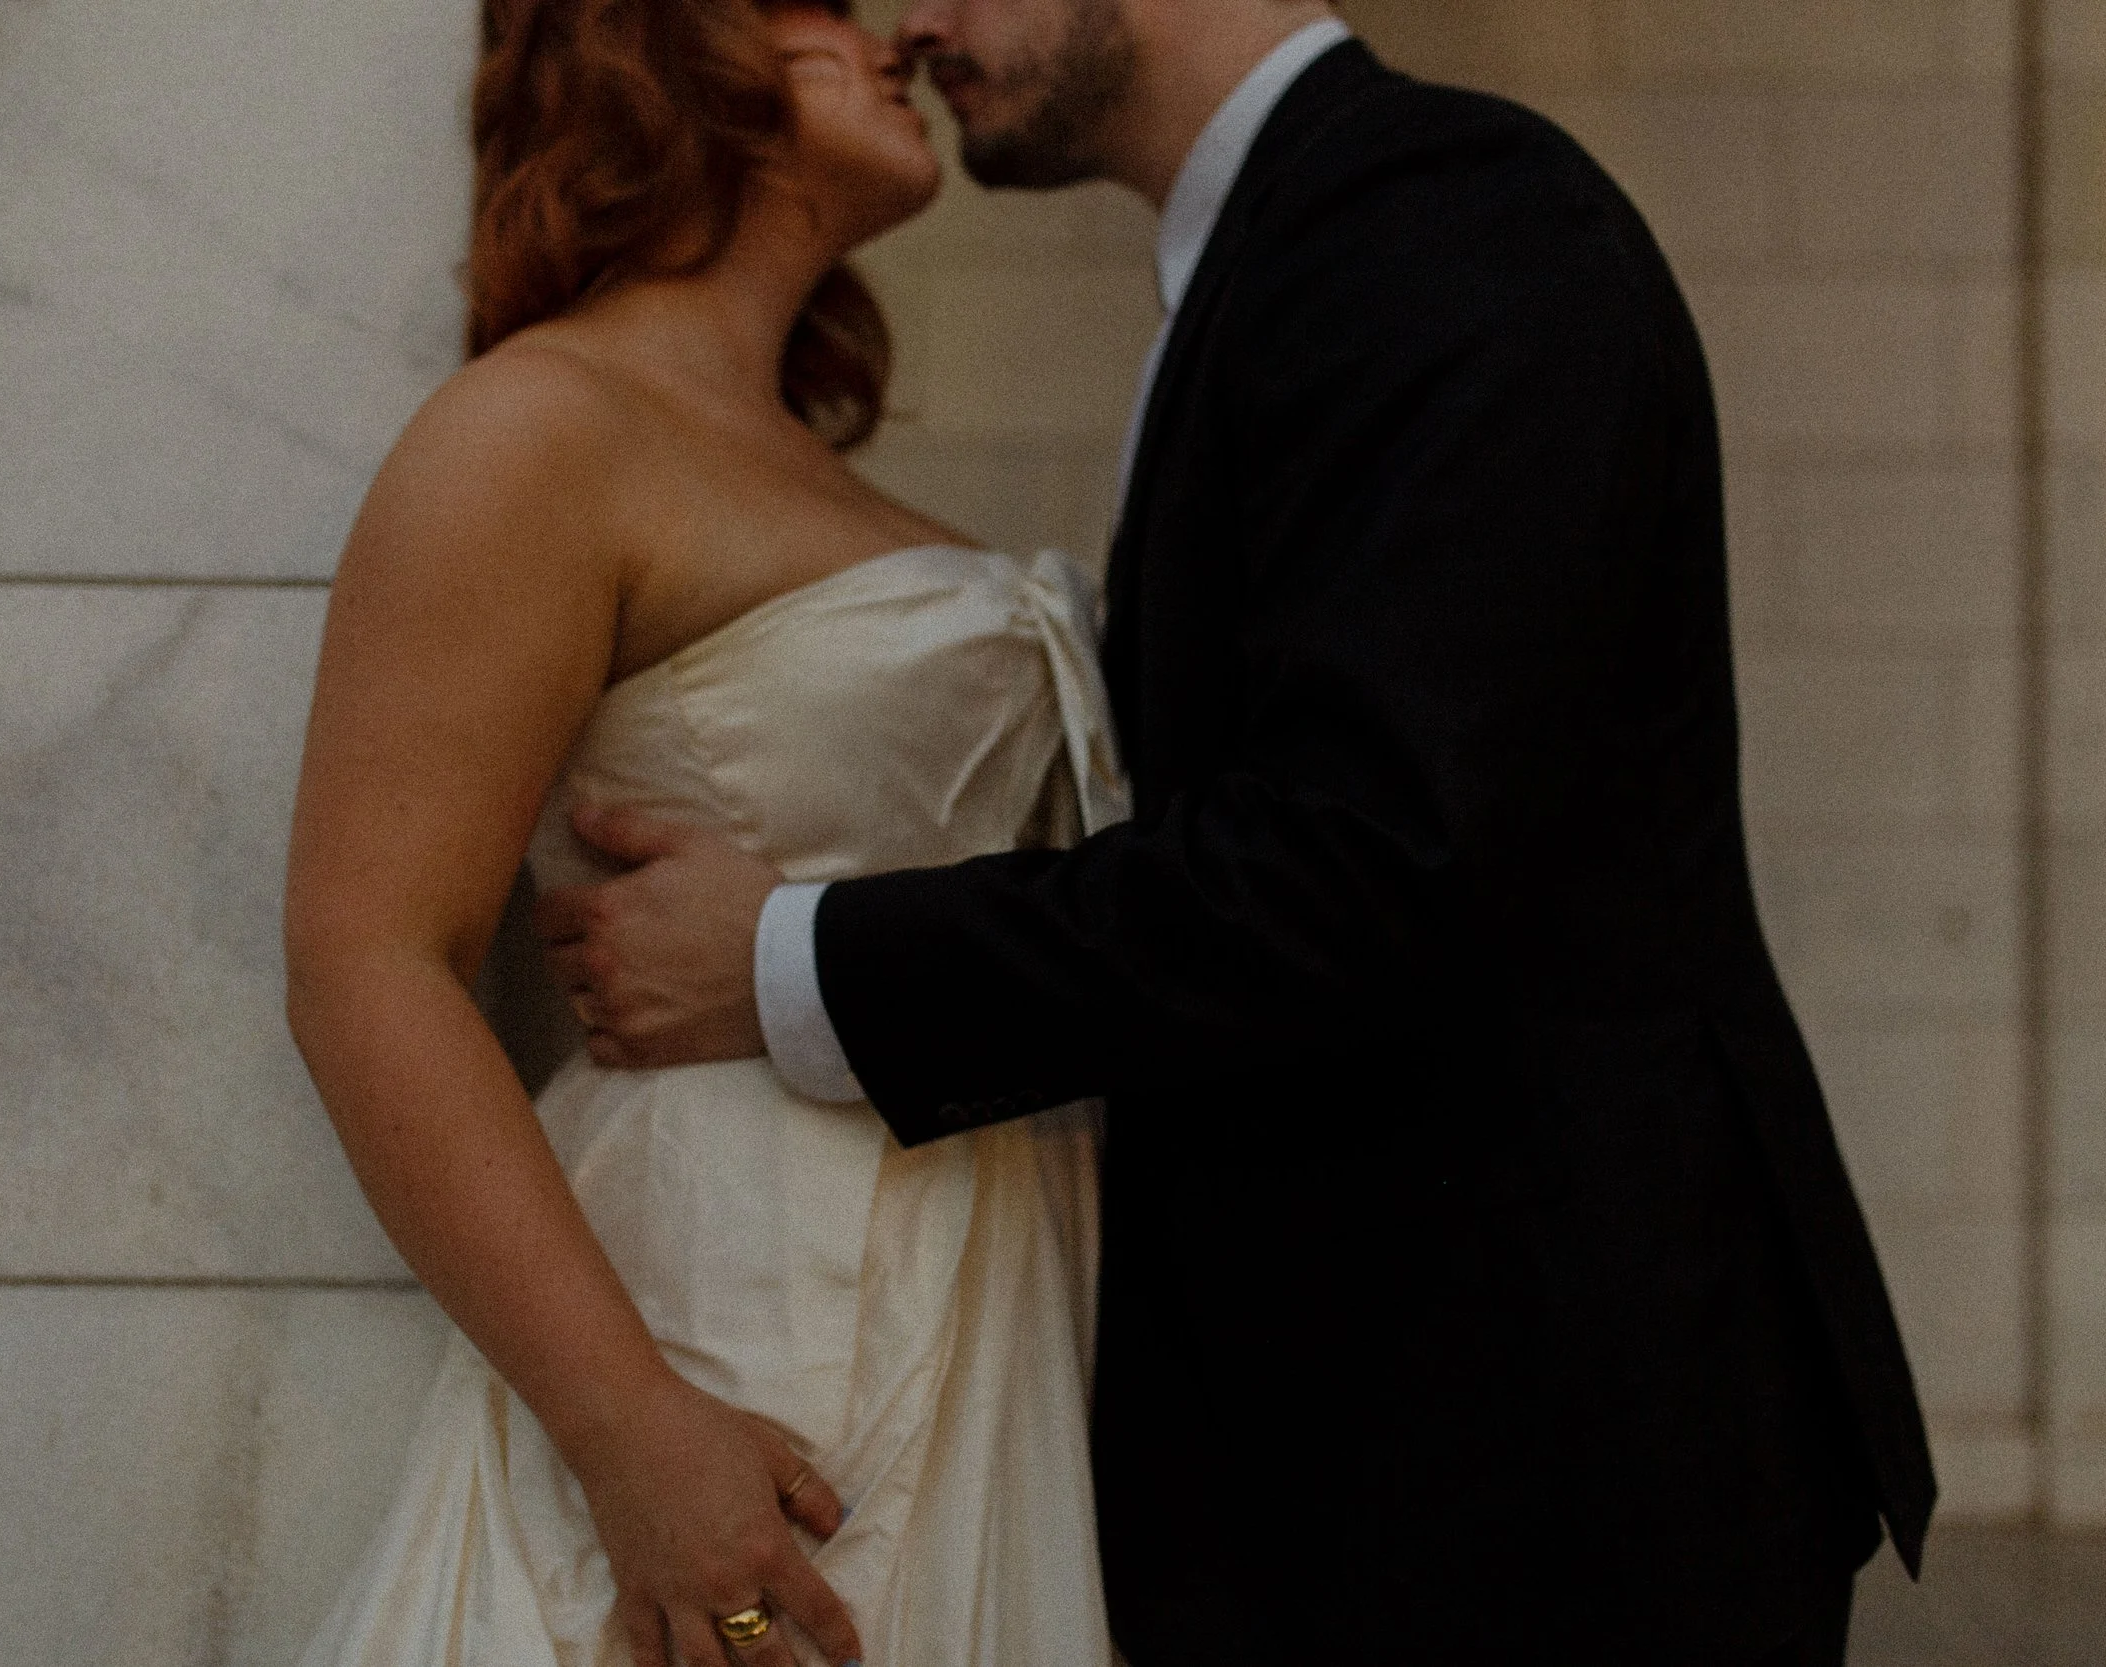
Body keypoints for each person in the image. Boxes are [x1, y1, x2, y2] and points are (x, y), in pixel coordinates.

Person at [537, 1, 1941, 1662]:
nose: (913, 20)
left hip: (1536, 1440)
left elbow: (1363, 861)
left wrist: (791, 959)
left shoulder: (1448, 217)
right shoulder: (1294, 251)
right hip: (1386, 1430)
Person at [282, 4, 1120, 1663]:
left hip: (1000, 1311)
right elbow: (364, 958)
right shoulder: (539, 430)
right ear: (664, 44)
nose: (894, 37)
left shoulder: (818, 472)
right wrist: (630, 1433)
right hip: (737, 1329)